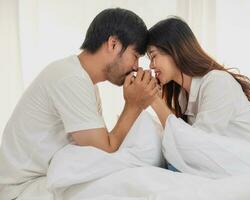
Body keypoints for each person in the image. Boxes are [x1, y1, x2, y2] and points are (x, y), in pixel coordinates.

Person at [0, 8, 158, 199]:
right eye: (135, 55)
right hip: (22, 190)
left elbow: (95, 152)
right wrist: (134, 105)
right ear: (113, 44)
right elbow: (105, 149)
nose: (136, 66)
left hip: (43, 181)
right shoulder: (70, 78)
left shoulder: (83, 82)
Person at [147, 17, 250, 175]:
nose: (151, 65)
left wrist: (154, 100)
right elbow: (182, 143)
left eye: (153, 56)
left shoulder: (217, 82)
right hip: (233, 165)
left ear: (174, 50)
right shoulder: (183, 98)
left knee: (175, 166)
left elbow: (195, 147)